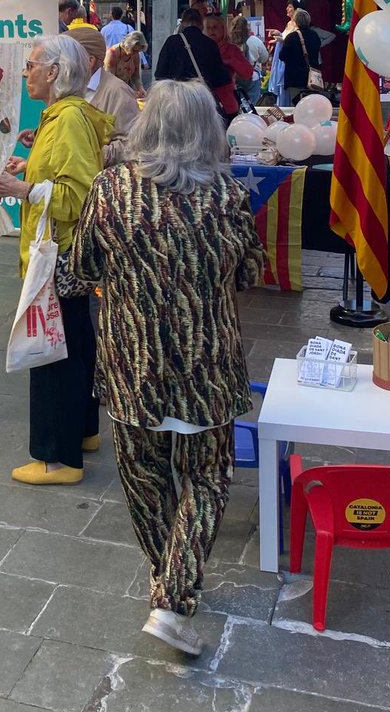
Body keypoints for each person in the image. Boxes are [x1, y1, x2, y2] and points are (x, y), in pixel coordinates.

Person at [70, 80, 265, 657]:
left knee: (145, 482)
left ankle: (168, 591)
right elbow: (250, 272)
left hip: (134, 366)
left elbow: (82, 268)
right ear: (208, 130)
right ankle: (174, 596)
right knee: (208, 477)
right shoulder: (225, 196)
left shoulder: (109, 190)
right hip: (207, 366)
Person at [0, 36, 112, 485]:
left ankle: (57, 458)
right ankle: (83, 431)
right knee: (74, 341)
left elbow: (80, 194)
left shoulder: (69, 117)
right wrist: (29, 167)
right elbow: (61, 173)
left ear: (55, 72)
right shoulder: (63, 114)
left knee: (51, 349)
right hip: (62, 249)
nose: (25, 72)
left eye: (32, 65)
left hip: (59, 249)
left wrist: (22, 190)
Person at [68, 25, 139, 164]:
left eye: (65, 57)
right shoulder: (70, 87)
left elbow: (130, 144)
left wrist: (82, 156)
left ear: (90, 61)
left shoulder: (118, 93)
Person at [154, 7, 230, 101]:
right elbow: (221, 79)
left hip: (177, 99)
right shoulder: (210, 44)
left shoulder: (171, 42)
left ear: (182, 24)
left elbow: (160, 74)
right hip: (202, 99)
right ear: (201, 25)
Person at [203, 15, 254, 120]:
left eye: (215, 27)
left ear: (223, 29)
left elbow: (247, 73)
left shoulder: (231, 49)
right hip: (204, 104)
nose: (211, 30)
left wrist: (231, 61)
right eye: (208, 28)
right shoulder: (199, 48)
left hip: (226, 104)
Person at [278, 8, 321, 105]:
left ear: (296, 22)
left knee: (297, 104)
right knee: (312, 104)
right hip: (311, 77)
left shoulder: (291, 37)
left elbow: (282, 56)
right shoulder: (314, 35)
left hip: (294, 77)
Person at [228, 14, 269, 108]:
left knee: (236, 103)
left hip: (234, 76)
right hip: (252, 76)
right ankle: (246, 119)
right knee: (249, 105)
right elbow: (264, 58)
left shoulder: (229, 41)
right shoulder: (254, 40)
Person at [106, 30, 148, 95]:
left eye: (138, 51)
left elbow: (136, 76)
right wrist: (128, 92)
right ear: (128, 45)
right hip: (112, 92)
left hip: (127, 88)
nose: (136, 53)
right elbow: (110, 80)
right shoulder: (112, 53)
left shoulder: (136, 55)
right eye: (134, 50)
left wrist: (140, 88)